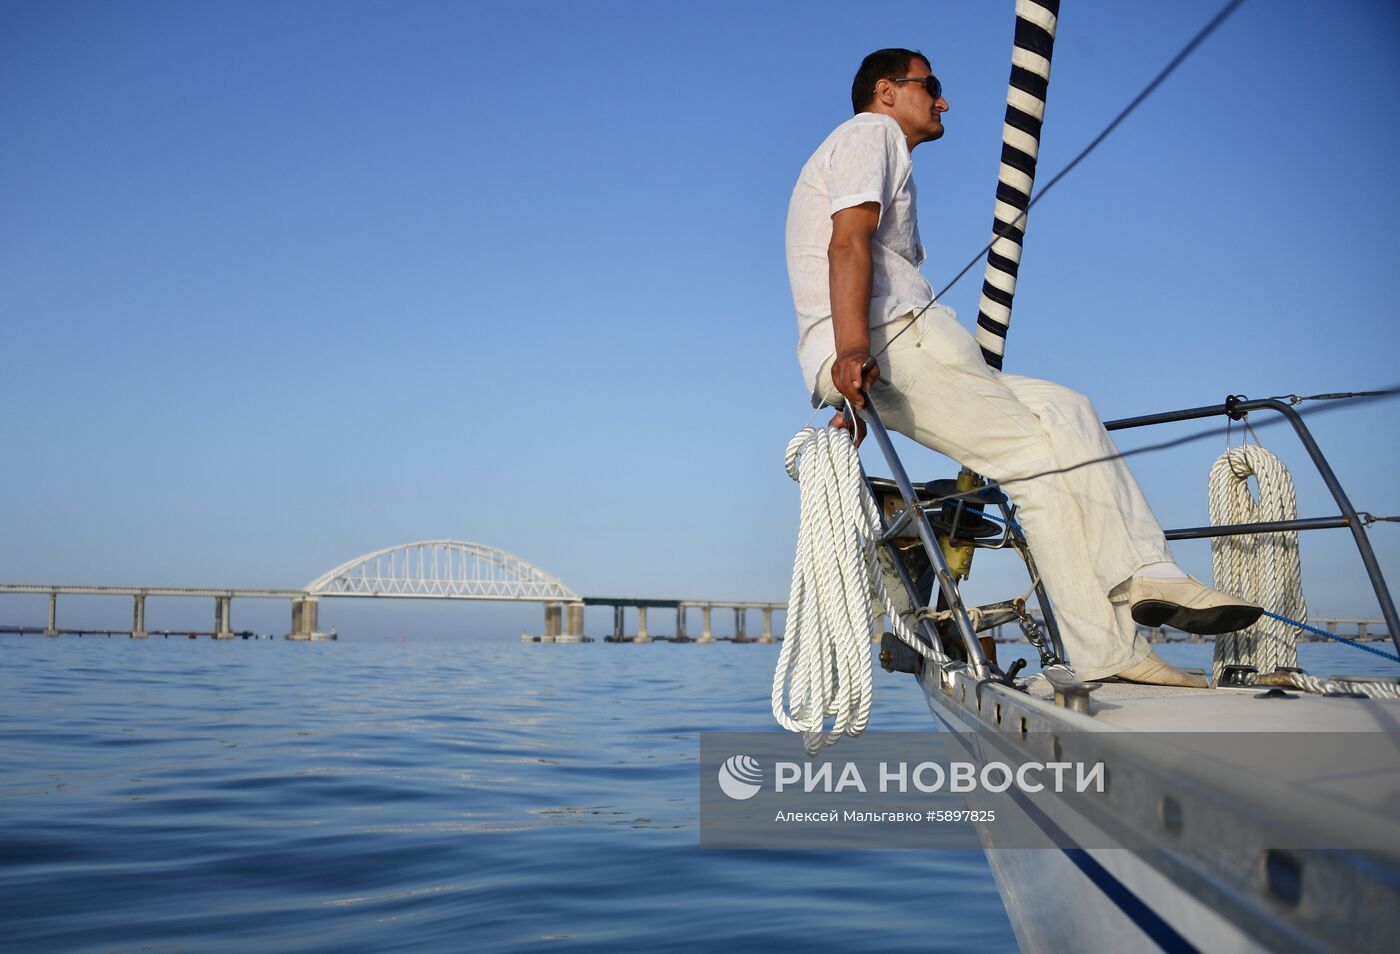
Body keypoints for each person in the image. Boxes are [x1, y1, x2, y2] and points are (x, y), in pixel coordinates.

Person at [785, 48, 1261, 685]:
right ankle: (1104, 654)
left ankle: (1149, 574)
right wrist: (849, 354)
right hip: (892, 342)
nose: (943, 100)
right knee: (1036, 462)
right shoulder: (872, 133)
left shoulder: (869, 144)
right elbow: (847, 241)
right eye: (932, 86)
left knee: (1069, 410)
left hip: (891, 348)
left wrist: (851, 382)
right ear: (887, 90)